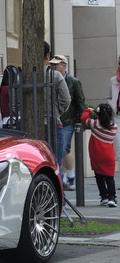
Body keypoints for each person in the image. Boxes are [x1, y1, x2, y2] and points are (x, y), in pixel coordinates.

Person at [50, 54, 85, 190]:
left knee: (64, 148)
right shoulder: (51, 78)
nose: (53, 67)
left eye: (56, 65)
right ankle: (65, 177)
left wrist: (80, 121)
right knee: (60, 149)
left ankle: (69, 177)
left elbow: (80, 101)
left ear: (63, 65)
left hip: (68, 120)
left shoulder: (73, 81)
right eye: (52, 65)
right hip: (56, 120)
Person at [81, 104, 117, 207]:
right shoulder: (114, 127)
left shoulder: (95, 124)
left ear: (98, 113)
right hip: (109, 156)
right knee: (110, 178)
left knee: (99, 177)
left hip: (96, 155)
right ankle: (112, 198)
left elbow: (83, 117)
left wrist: (89, 110)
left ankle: (104, 197)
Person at [43, 42, 71, 173]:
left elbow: (15, 103)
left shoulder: (22, 76)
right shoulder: (55, 76)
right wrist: (58, 111)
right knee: (56, 162)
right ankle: (58, 192)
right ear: (47, 56)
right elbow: (66, 99)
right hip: (53, 123)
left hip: (30, 125)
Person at [107, 58, 120, 173]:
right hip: (117, 116)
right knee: (118, 147)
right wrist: (111, 104)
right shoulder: (113, 80)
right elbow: (109, 96)